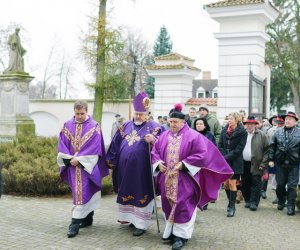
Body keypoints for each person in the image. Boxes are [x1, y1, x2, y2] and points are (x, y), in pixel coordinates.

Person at [151, 104, 233, 250]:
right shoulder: (164, 136)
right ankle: (170, 232)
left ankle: (181, 236)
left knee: (183, 205)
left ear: (183, 122)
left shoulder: (193, 136)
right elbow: (155, 152)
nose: (172, 124)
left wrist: (184, 164)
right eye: (171, 122)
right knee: (167, 203)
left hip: (185, 179)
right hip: (166, 178)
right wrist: (158, 164)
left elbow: (201, 154)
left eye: (175, 122)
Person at [106, 91, 162, 237]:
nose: (138, 116)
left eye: (141, 114)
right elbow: (115, 143)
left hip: (142, 171)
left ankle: (141, 224)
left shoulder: (155, 127)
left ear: (147, 113)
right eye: (136, 113)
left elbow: (165, 145)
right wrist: (111, 160)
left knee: (140, 194)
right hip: (124, 170)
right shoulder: (125, 126)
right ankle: (130, 220)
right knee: (127, 193)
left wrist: (155, 140)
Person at [57, 100, 109, 238]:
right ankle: (86, 218)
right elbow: (62, 144)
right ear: (74, 112)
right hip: (73, 167)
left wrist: (79, 159)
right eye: (77, 113)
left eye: (82, 113)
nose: (79, 116)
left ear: (87, 111)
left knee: (86, 191)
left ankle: (75, 224)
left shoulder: (94, 126)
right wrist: (69, 158)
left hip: (87, 167)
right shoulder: (67, 125)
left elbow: (95, 147)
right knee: (78, 194)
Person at [268, 111, 300, 216]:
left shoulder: (299, 132)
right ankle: (281, 201)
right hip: (280, 164)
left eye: (290, 119)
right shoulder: (278, 132)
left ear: (295, 121)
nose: (288, 121)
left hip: (294, 164)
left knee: (292, 186)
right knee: (280, 185)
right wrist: (271, 159)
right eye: (286, 119)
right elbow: (272, 146)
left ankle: (290, 206)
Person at [218, 112, 247, 217]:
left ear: (237, 120)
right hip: (224, 160)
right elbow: (220, 144)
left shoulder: (243, 132)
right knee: (225, 184)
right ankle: (231, 202)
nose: (229, 121)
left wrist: (226, 157)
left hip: (235, 161)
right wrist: (223, 156)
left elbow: (239, 149)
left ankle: (231, 207)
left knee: (232, 183)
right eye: (228, 119)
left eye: (231, 119)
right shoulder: (224, 130)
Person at [241, 116, 269, 211]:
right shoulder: (242, 134)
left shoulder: (261, 135)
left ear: (255, 125)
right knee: (245, 183)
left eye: (251, 124)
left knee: (256, 184)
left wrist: (263, 164)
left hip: (257, 164)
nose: (249, 126)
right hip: (244, 163)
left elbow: (267, 151)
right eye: (247, 124)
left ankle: (254, 202)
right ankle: (247, 200)